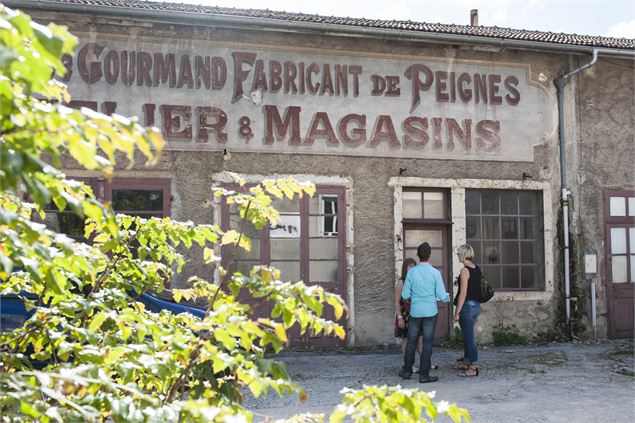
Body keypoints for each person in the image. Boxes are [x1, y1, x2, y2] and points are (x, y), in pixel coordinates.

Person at [398, 242, 450, 383]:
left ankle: (407, 371)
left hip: (415, 312)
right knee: (427, 343)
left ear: (418, 255)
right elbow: (442, 295)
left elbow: (405, 295)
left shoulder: (411, 273)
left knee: (411, 342)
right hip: (430, 312)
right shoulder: (435, 273)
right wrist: (447, 297)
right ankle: (424, 375)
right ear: (430, 256)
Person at [453, 244, 481, 377]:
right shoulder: (477, 268)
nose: (457, 255)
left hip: (468, 307)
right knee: (467, 335)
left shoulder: (465, 271)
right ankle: (467, 361)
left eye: (459, 253)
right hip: (476, 306)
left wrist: (457, 312)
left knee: (469, 337)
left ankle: (473, 367)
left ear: (463, 255)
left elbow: (463, 293)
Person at [394, 258, 422, 365]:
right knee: (406, 340)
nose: (411, 268)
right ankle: (409, 365)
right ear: (405, 268)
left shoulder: (416, 281)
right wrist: (400, 318)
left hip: (416, 314)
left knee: (420, 339)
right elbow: (396, 301)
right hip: (404, 315)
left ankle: (425, 363)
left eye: (413, 266)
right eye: (409, 266)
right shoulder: (401, 282)